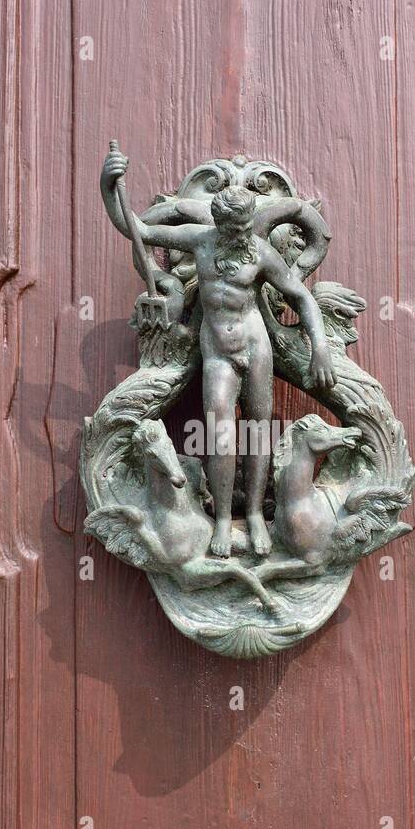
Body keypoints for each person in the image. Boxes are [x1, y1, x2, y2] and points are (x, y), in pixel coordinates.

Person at [101, 147, 336, 557]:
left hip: (255, 343)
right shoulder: (201, 242)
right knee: (221, 434)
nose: (240, 237)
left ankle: (259, 516)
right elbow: (136, 228)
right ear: (220, 224)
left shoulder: (261, 252)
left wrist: (320, 349)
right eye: (232, 230)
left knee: (259, 431)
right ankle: (225, 519)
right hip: (217, 352)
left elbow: (300, 297)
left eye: (246, 229)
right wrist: (108, 187)